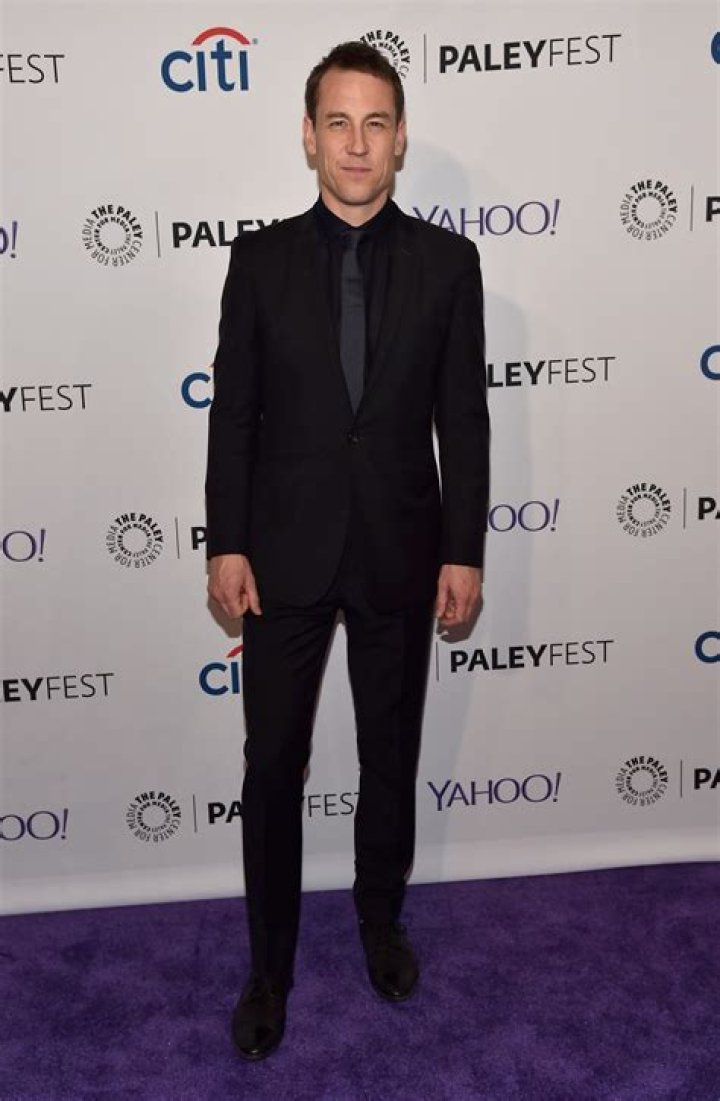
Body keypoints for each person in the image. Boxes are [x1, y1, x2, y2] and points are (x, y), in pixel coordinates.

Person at [205, 40, 490, 1060]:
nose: (357, 144)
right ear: (309, 136)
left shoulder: (449, 264)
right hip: (281, 555)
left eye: (376, 124)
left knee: (390, 754)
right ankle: (268, 967)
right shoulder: (259, 261)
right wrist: (226, 542)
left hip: (401, 550)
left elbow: (464, 417)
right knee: (272, 764)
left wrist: (464, 549)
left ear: (400, 138)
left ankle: (380, 922)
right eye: (339, 123)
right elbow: (233, 415)